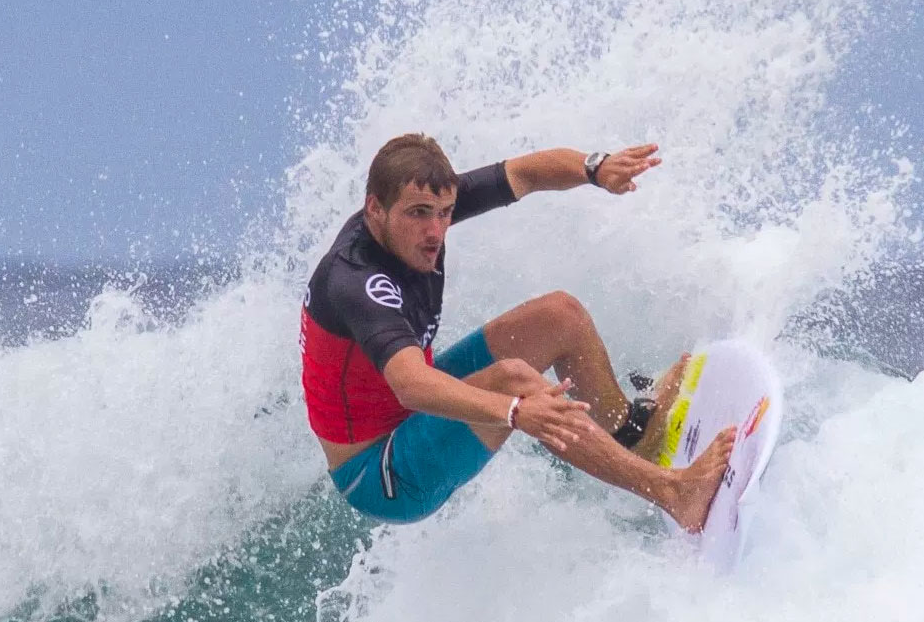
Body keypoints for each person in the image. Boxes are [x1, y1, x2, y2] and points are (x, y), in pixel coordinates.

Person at [299, 133, 734, 531]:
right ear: (375, 209)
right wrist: (511, 410)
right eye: (419, 214)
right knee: (514, 382)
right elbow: (410, 385)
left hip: (410, 414)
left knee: (560, 314)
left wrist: (594, 168)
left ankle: (632, 438)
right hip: (379, 473)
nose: (435, 231)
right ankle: (675, 494)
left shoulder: (422, 210)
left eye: (445, 213)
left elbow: (523, 174)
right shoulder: (356, 282)